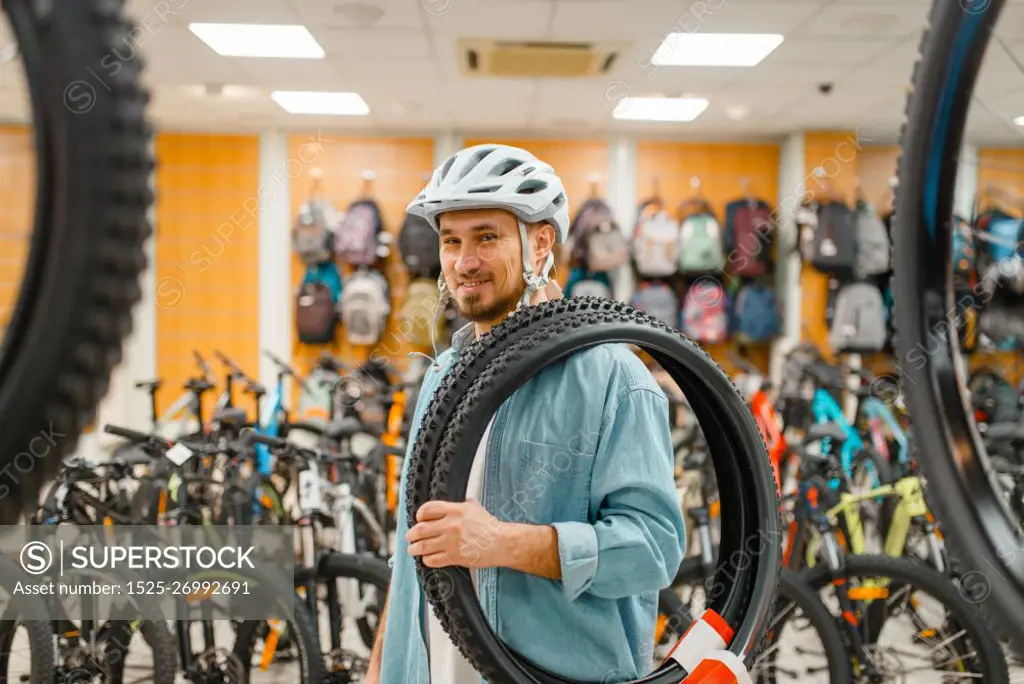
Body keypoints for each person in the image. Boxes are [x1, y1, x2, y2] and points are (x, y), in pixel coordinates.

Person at [364, 144, 686, 684]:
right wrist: (380, 670)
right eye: (451, 241)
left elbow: (653, 549)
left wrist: (502, 544)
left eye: (486, 237)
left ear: (540, 243)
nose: (465, 262)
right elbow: (413, 546)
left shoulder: (614, 378)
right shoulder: (442, 377)